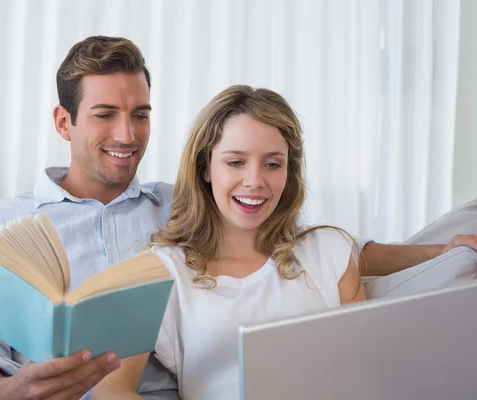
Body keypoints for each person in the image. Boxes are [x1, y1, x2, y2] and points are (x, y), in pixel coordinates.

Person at [0, 35, 477, 400]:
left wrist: (442, 250)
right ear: (64, 122)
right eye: (105, 114)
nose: (128, 135)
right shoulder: (4, 225)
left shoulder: (188, 203)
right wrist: (3, 390)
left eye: (141, 114)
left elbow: (316, 244)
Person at [91, 85, 368, 400]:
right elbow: (110, 392)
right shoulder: (160, 273)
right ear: (206, 167)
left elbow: (369, 373)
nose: (255, 180)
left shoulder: (330, 253)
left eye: (273, 164)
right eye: (236, 162)